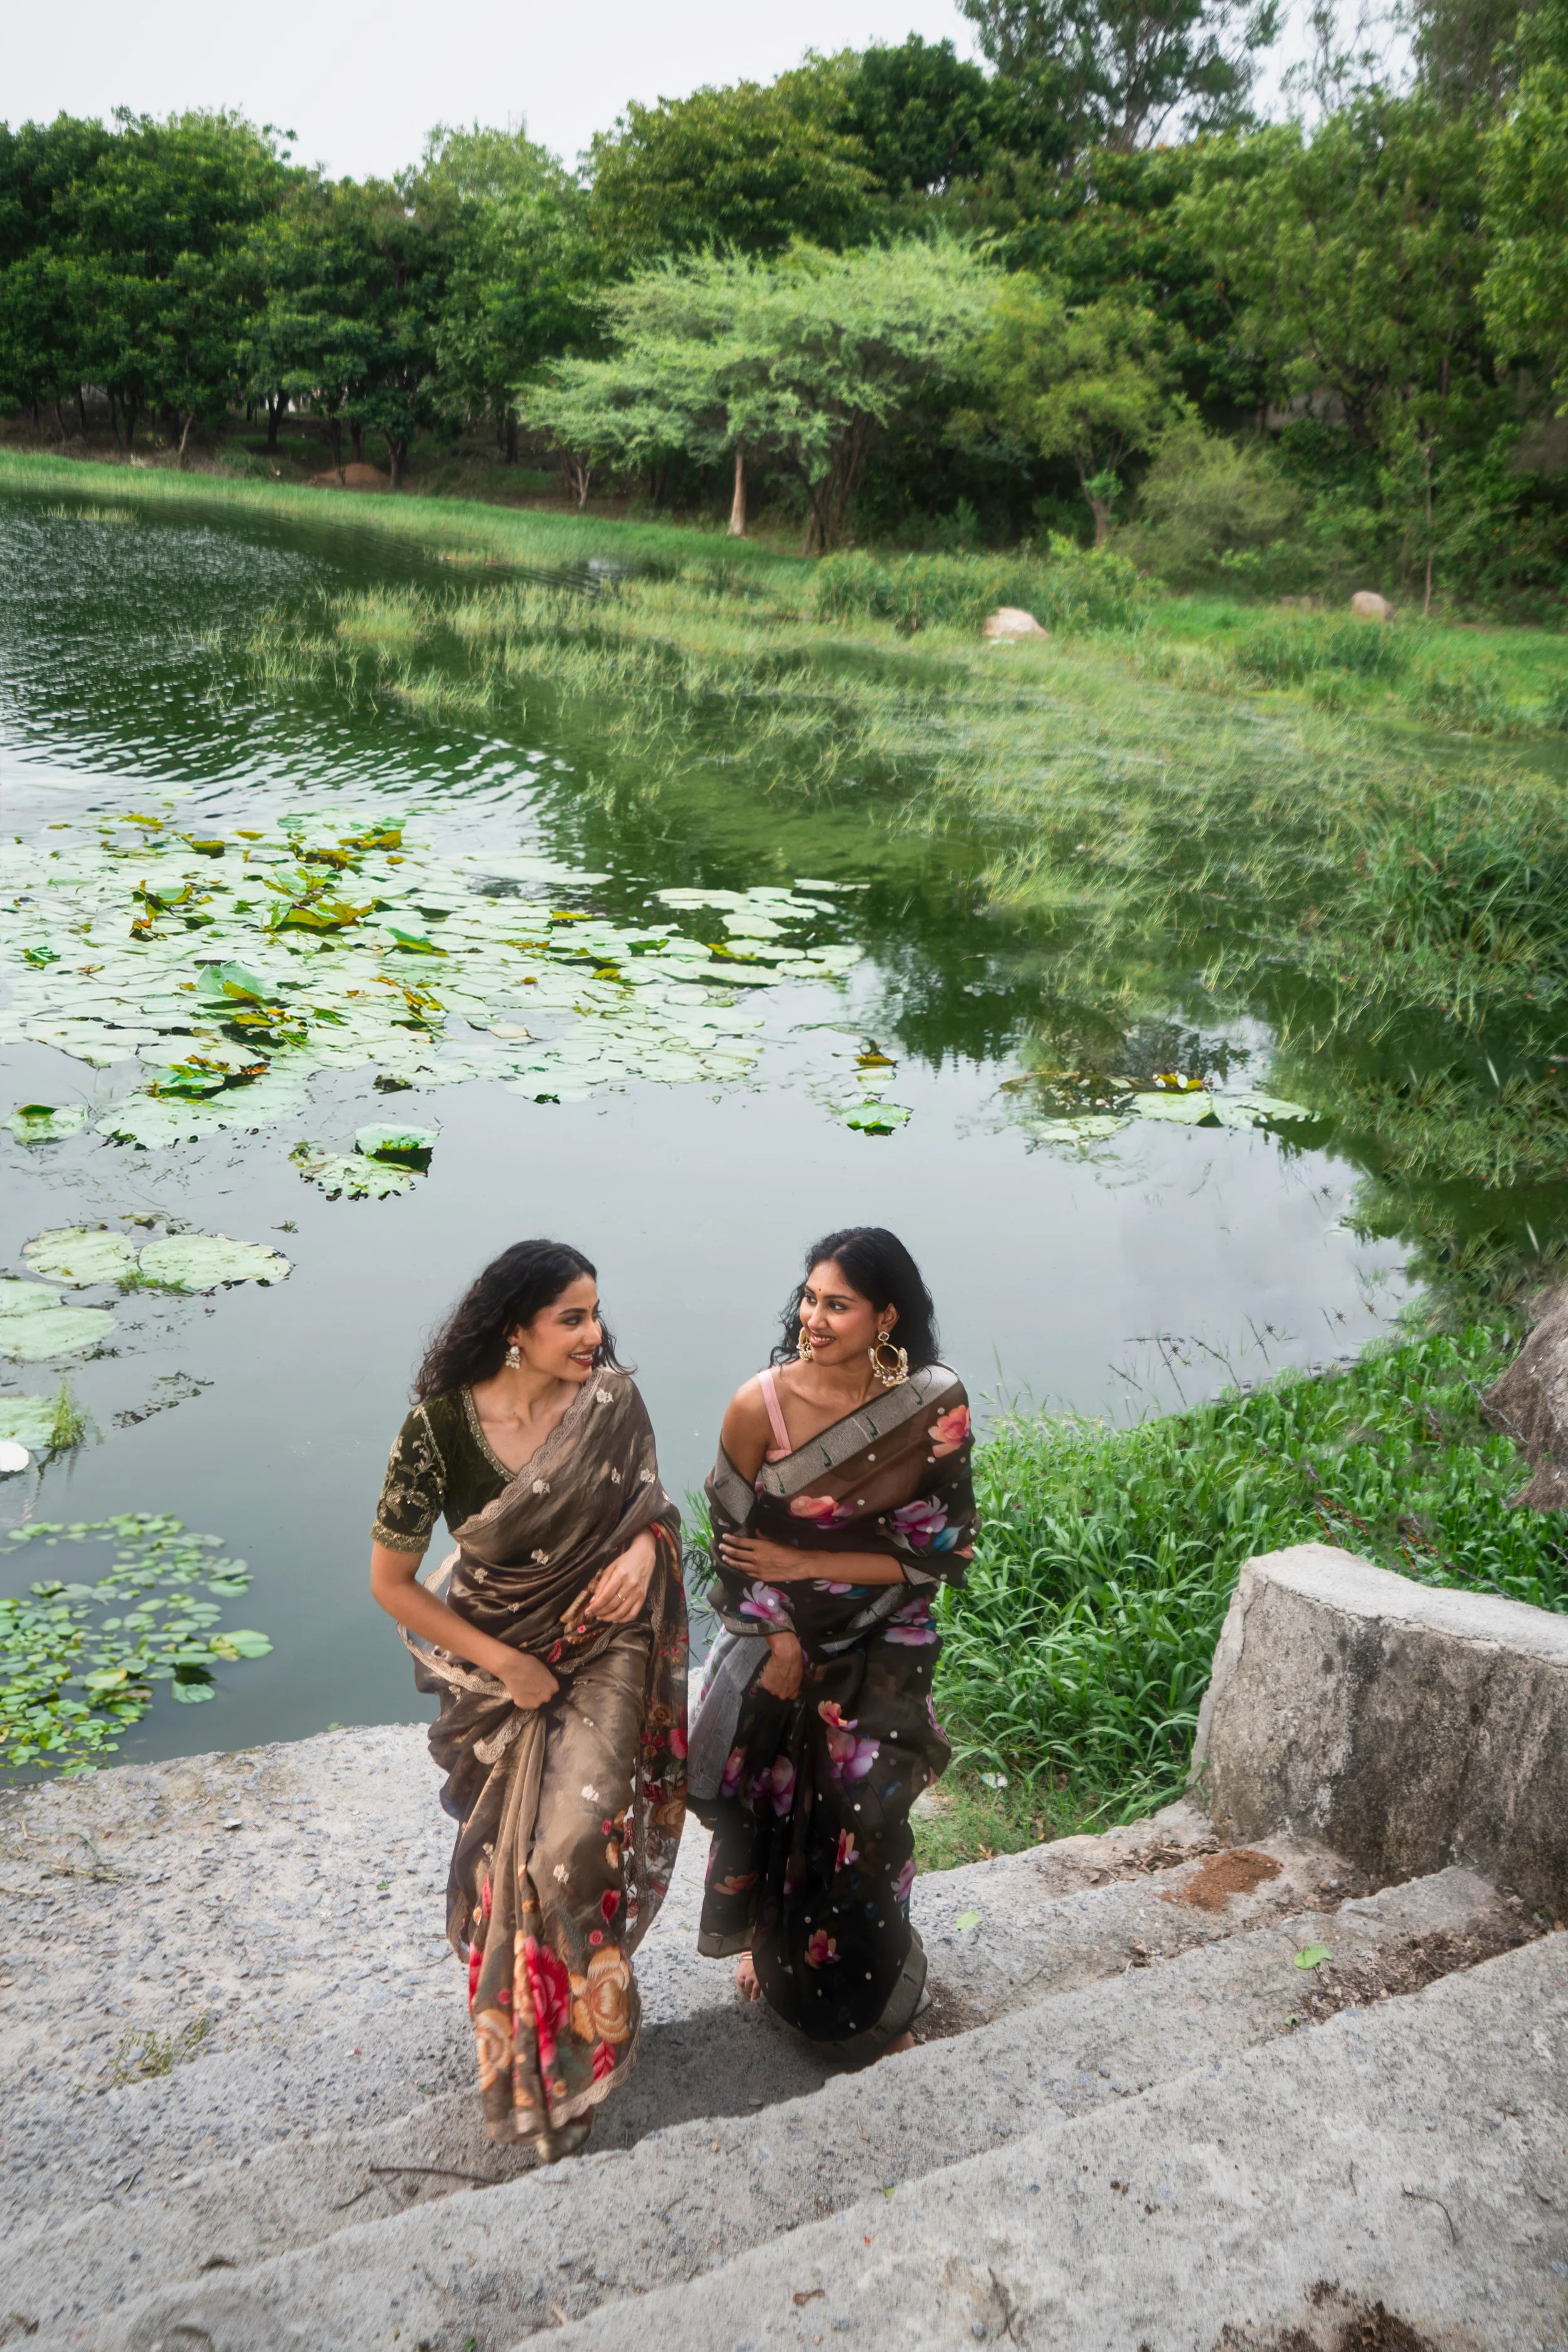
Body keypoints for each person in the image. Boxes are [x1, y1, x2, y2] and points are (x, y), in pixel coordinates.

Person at [369, 1241, 687, 2161]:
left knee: (572, 1845)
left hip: (608, 1640)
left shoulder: (612, 1403)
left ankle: (585, 2047)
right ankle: (536, 2056)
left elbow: (654, 1510)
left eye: (595, 1314)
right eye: (571, 1319)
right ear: (516, 1330)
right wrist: (506, 1665)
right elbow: (393, 1582)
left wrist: (644, 1553)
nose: (595, 1335)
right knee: (506, 1863)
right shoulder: (438, 1429)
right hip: (502, 1655)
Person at [687, 1227, 975, 2060]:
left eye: (837, 1304)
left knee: (865, 1810)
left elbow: (938, 1548)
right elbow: (733, 1549)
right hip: (779, 1628)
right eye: (809, 1298)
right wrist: (774, 1630)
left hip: (889, 1627)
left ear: (885, 1317)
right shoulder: (759, 1405)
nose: (813, 1317)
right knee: (778, 1799)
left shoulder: (932, 1405)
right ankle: (771, 1955)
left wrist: (804, 1557)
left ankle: (874, 2001)